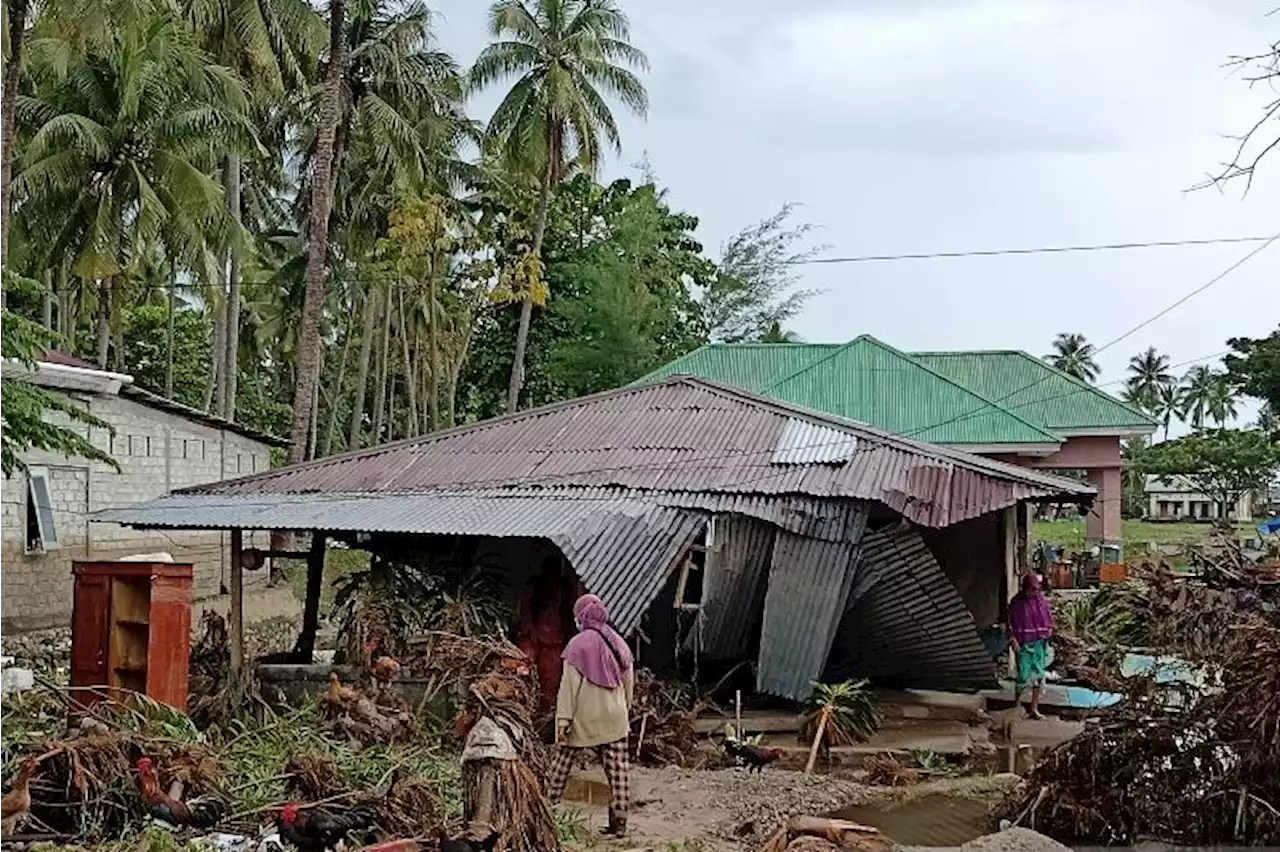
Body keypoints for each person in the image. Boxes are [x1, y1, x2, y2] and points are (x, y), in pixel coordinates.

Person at [546, 594, 634, 838]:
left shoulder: (577, 645)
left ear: (581, 616)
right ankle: (620, 825)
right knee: (619, 771)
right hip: (616, 717)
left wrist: (563, 720)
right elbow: (629, 682)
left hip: (584, 717)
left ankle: (545, 811)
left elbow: (568, 687)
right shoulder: (619, 642)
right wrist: (625, 708)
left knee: (560, 765)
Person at [516, 560, 568, 714]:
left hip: (553, 641)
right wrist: (530, 629)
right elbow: (525, 608)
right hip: (536, 639)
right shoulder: (536, 585)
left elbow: (566, 613)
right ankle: (525, 711)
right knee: (524, 674)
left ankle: (543, 715)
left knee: (550, 684)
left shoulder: (564, 588)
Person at [1007, 572, 1054, 719]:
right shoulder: (1016, 603)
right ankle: (1016, 705)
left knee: (1039, 676)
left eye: (1035, 589)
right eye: (1030, 589)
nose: (1032, 593)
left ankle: (1034, 708)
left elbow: (1049, 621)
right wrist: (1013, 640)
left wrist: (1048, 635)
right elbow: (1009, 623)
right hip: (1023, 644)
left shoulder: (1042, 603)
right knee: (1022, 676)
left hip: (1039, 643)